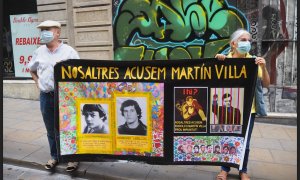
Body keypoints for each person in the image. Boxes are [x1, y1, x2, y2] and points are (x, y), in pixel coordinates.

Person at [215, 28, 270, 180]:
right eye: (243, 40)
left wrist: (264, 67)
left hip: (248, 110)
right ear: (233, 43)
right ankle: (224, 169)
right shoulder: (224, 60)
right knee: (227, 139)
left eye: (248, 41)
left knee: (245, 142)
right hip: (229, 110)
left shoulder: (254, 62)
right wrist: (217, 61)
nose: (247, 43)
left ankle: (242, 170)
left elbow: (267, 84)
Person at [28, 20, 80, 172]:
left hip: (65, 97)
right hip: (46, 97)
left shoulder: (69, 52)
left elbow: (79, 72)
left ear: (58, 32)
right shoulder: (39, 52)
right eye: (42, 30)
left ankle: (72, 159)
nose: (43, 32)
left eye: (47, 29)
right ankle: (54, 156)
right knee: (51, 129)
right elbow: (31, 69)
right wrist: (38, 83)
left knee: (68, 128)